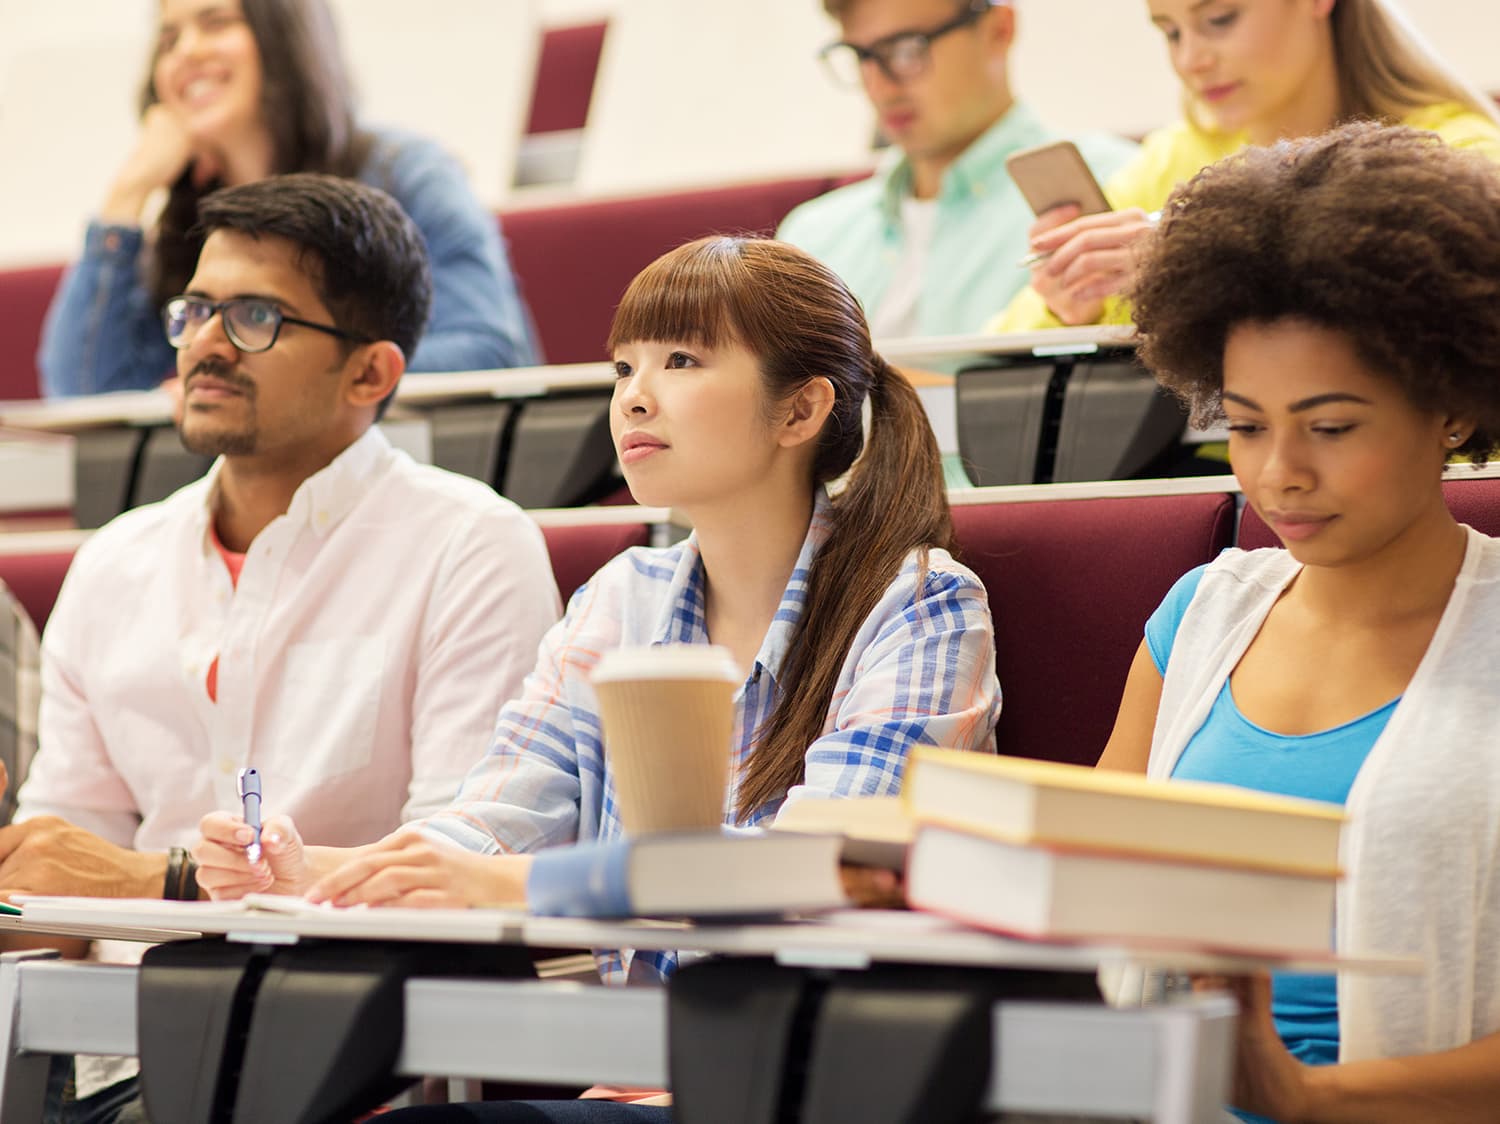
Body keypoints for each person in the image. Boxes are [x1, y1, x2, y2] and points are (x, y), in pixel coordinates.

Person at [196, 233, 1002, 1121]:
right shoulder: (620, 599)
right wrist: (316, 874)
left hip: (816, 1089)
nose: (634, 397)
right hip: (637, 1083)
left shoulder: (922, 603)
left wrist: (516, 886)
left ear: (801, 409)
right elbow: (491, 825)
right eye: (623, 368)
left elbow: (819, 874)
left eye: (682, 360)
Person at [7, 172, 559, 1124]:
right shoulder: (114, 564)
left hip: (330, 1058)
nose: (207, 344)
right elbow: (58, 873)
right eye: (196, 310)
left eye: (255, 316)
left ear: (370, 373)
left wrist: (165, 883)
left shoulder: (470, 547)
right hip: (95, 1049)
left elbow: (451, 880)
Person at [1096, 122, 1500, 1122]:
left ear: (1450, 405)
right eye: (1244, 425)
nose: (1279, 473)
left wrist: (1307, 1096)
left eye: (1330, 426)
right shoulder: (1201, 616)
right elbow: (1082, 887)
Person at [38, 0, 538, 399]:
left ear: (283, 42)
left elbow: (490, 353)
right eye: (169, 39)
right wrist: (130, 190)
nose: (186, 51)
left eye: (215, 23)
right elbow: (83, 393)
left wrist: (282, 383)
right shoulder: (190, 218)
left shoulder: (407, 173)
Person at [993, 0, 1500, 332]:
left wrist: (1197, 259)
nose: (1190, 60)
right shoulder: (1174, 160)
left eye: (1219, 20)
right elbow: (995, 339)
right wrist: (1070, 307)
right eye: (1171, 33)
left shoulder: (1453, 148)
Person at [777, 0, 1135, 340]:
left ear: (998, 30)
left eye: (905, 50)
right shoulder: (813, 237)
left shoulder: (1120, 183)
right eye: (861, 56)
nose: (879, 88)